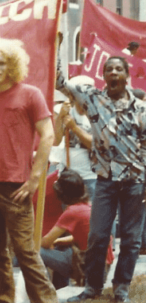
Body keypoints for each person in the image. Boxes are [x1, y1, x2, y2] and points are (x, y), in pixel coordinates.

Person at [0, 35, 58, 303]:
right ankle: (3, 299)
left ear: (13, 65)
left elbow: (48, 136)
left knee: (26, 252)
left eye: (2, 63)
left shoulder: (30, 95)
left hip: (16, 187)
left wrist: (34, 180)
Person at [57, 56, 146, 303]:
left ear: (126, 75)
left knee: (131, 240)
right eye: (109, 69)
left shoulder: (141, 109)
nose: (114, 72)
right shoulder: (93, 98)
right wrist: (55, 45)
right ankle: (92, 287)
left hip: (135, 182)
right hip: (105, 180)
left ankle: (121, 289)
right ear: (103, 75)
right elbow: (60, 82)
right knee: (97, 236)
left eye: (119, 69)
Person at [40, 168, 114, 289]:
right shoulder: (89, 206)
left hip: (89, 268)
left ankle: (45, 290)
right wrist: (58, 241)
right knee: (61, 246)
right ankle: (60, 287)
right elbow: (83, 236)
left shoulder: (72, 212)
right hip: (103, 267)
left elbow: (45, 242)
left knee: (37, 253)